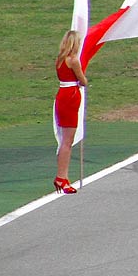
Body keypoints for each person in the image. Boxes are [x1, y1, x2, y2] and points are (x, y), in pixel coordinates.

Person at [52, 29, 86, 194]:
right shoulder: (73, 60)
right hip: (71, 96)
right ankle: (61, 176)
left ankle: (62, 176)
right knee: (68, 140)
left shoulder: (59, 59)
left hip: (63, 95)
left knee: (65, 139)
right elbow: (82, 80)